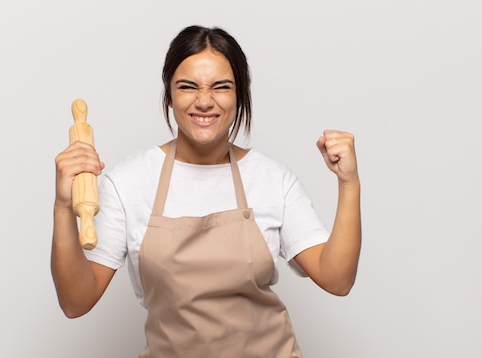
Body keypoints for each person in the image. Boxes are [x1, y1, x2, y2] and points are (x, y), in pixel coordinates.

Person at [52, 25, 361, 357]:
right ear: (169, 95)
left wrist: (348, 183)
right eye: (187, 87)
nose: (204, 101)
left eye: (221, 87)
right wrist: (62, 206)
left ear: (239, 94)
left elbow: (337, 279)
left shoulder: (272, 178)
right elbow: (76, 301)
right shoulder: (129, 181)